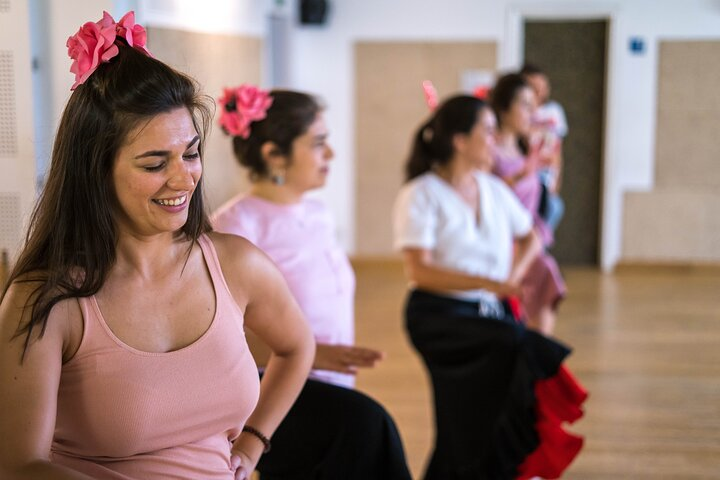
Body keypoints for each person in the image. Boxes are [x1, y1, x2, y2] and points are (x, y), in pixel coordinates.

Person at [0, 12, 314, 480]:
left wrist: (253, 442)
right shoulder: (45, 300)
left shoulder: (236, 264)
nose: (183, 177)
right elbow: (20, 465)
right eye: (154, 163)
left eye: (190, 153)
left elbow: (296, 347)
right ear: (95, 172)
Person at [212, 85, 412, 479]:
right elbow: (218, 336)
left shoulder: (317, 212)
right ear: (273, 154)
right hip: (271, 392)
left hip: (330, 383)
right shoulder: (235, 226)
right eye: (318, 143)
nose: (331, 154)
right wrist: (311, 353)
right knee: (372, 429)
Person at [393, 93, 586, 479]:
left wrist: (512, 278)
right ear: (460, 140)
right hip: (441, 319)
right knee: (515, 352)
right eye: (489, 131)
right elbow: (420, 272)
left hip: (487, 313)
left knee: (473, 419)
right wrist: (490, 282)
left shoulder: (494, 189)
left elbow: (532, 236)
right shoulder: (421, 193)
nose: (496, 140)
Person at [490, 72, 567, 336]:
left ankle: (535, 351)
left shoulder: (525, 147)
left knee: (544, 284)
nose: (532, 113)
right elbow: (489, 193)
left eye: (533, 105)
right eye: (524, 105)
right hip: (503, 241)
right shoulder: (489, 149)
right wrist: (525, 172)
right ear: (504, 108)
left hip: (530, 233)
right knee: (544, 276)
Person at [521, 63, 568, 232]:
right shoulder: (520, 113)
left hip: (546, 175)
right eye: (534, 87)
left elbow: (557, 150)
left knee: (553, 208)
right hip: (527, 173)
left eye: (543, 87)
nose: (539, 92)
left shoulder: (554, 112)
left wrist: (556, 180)